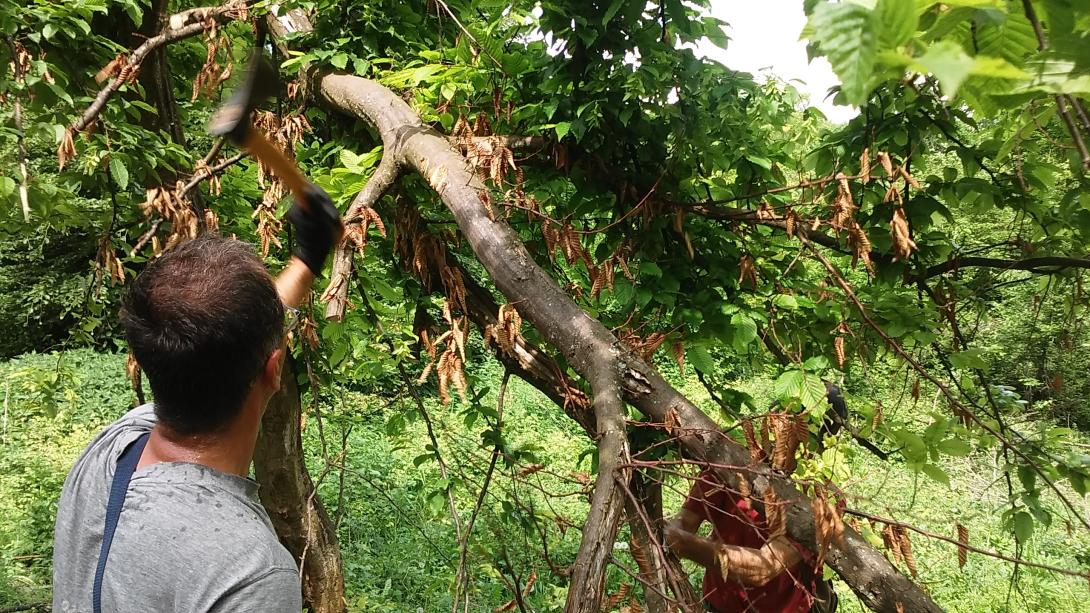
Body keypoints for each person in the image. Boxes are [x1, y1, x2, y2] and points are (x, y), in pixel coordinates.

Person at [52, 186, 342, 613]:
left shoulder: (113, 448)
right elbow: (226, 339)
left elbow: (218, 337)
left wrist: (307, 260)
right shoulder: (250, 575)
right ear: (274, 369)